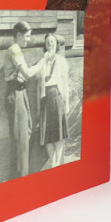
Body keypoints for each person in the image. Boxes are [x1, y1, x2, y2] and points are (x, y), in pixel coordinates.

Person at [4, 21, 49, 177]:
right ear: (19, 35)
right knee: (21, 138)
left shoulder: (16, 50)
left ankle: (21, 175)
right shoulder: (14, 50)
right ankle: (19, 177)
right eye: (27, 36)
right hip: (15, 93)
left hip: (19, 92)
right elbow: (28, 74)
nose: (28, 40)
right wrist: (43, 61)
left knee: (25, 134)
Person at [38, 33, 70, 170]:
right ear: (45, 45)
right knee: (47, 134)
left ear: (56, 45)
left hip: (57, 96)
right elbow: (39, 84)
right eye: (48, 42)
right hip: (45, 99)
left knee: (58, 133)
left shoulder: (61, 60)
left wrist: (67, 102)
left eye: (52, 42)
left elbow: (65, 82)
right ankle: (52, 162)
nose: (50, 44)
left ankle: (57, 162)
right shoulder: (42, 61)